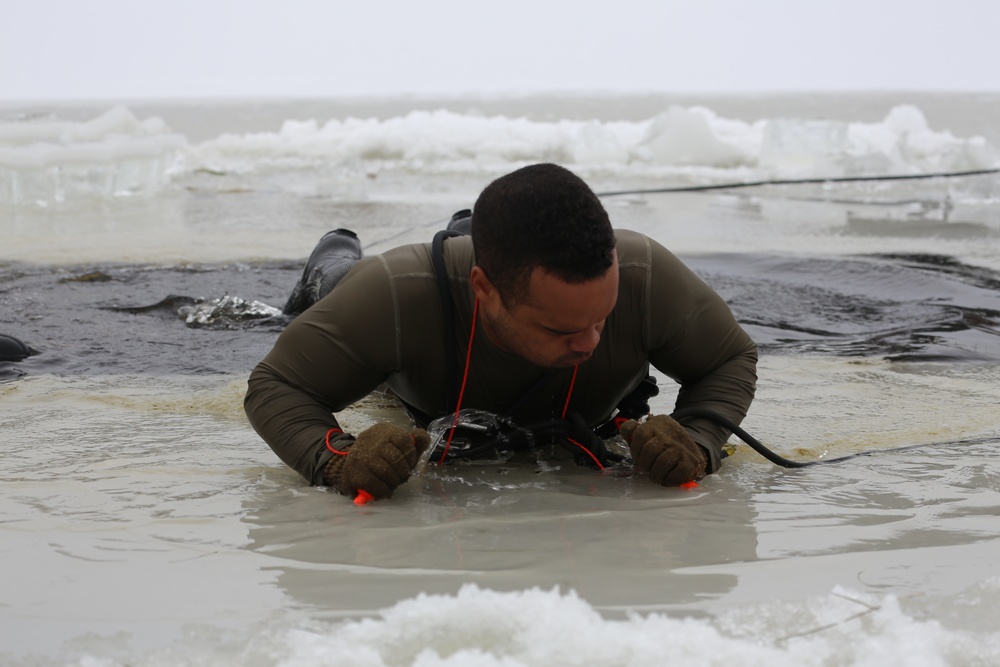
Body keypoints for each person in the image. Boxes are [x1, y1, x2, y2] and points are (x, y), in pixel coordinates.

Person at [244, 163, 757, 501]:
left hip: (493, 271)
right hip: (386, 297)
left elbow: (729, 359)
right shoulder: (398, 293)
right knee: (339, 282)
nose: (590, 343)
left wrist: (698, 441)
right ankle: (335, 250)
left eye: (601, 317)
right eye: (561, 328)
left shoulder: (646, 275)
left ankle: (472, 226)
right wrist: (337, 460)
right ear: (482, 289)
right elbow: (276, 385)